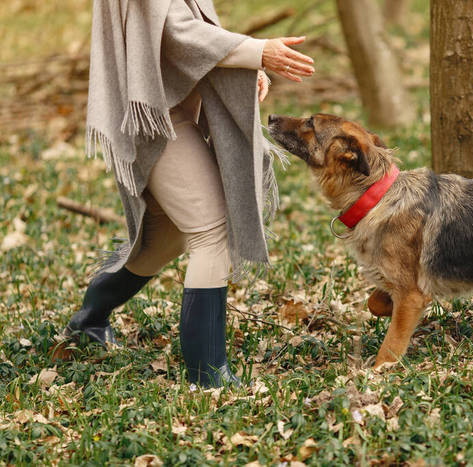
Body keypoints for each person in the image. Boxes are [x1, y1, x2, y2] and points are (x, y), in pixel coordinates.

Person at [64, 0, 314, 388]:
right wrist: (255, 50)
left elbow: (185, 36)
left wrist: (240, 64)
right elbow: (177, 33)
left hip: (170, 109)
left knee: (164, 240)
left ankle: (88, 321)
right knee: (210, 231)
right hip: (153, 118)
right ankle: (206, 373)